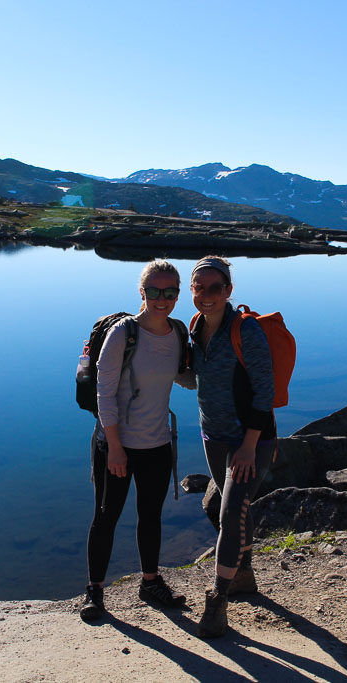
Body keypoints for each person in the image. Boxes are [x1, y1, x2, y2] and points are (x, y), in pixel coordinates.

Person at [81, 260, 190, 621]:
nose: (163, 299)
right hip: (117, 445)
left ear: (177, 294)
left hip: (157, 444)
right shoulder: (124, 334)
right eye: (155, 292)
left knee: (151, 516)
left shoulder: (176, 332)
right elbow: (104, 393)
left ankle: (150, 581)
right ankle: (95, 591)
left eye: (170, 292)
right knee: (105, 517)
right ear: (141, 293)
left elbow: (184, 377)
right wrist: (114, 446)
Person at [188, 256, 276, 639]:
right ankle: (244, 576)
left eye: (214, 288)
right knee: (237, 509)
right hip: (213, 437)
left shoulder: (247, 331)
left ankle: (217, 600)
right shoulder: (195, 328)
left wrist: (248, 446)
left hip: (249, 441)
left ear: (228, 290)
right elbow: (196, 380)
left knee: (229, 516)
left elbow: (265, 391)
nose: (206, 295)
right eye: (198, 288)